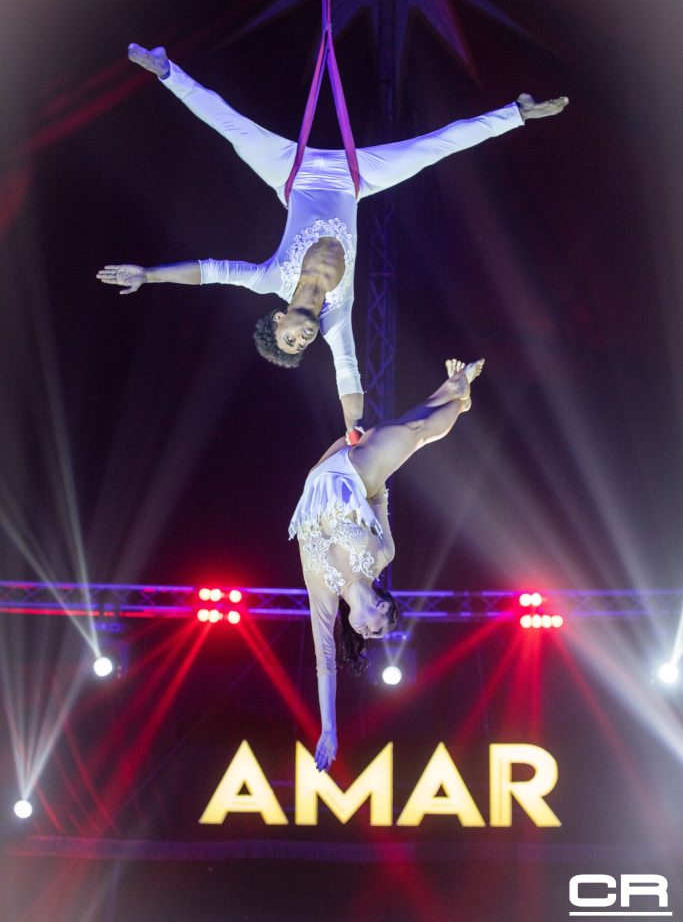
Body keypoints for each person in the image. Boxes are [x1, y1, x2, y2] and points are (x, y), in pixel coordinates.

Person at [97, 44, 567, 433]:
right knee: (432, 149)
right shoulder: (336, 318)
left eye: (289, 338)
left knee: (232, 128)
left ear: (278, 318)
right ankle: (516, 112)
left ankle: (165, 69)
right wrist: (356, 430)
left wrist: (150, 274)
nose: (301, 339)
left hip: (292, 173)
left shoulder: (270, 281)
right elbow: (349, 376)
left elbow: (210, 272)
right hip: (352, 181)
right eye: (301, 345)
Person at [289, 356, 484, 772]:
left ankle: (456, 393)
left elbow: (326, 662)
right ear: (382, 605)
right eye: (378, 628)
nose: (366, 632)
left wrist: (329, 729)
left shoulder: (323, 592)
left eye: (369, 635)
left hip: (319, 481)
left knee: (414, 432)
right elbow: (378, 502)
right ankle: (457, 391)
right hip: (360, 475)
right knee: (414, 433)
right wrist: (364, 453)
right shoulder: (382, 556)